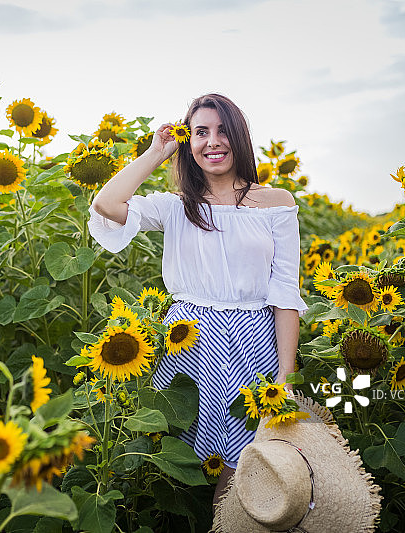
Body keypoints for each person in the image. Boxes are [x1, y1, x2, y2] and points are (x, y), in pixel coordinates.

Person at [87, 93, 308, 509]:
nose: (213, 141)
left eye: (223, 130)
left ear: (239, 137)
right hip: (189, 344)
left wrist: (286, 376)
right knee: (182, 459)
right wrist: (157, 152)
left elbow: (284, 292)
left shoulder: (275, 202)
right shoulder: (174, 207)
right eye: (201, 132)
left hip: (255, 342)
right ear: (189, 143)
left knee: (247, 464)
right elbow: (106, 204)